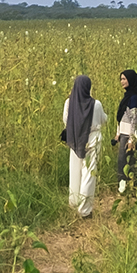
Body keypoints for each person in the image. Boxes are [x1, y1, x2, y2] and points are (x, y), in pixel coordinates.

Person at [61, 74, 102, 217]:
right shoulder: (95, 104)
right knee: (89, 173)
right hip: (92, 140)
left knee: (75, 171)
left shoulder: (69, 102)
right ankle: (85, 210)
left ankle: (74, 202)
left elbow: (65, 119)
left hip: (75, 139)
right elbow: (103, 119)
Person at [113, 69, 137, 191]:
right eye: (121, 79)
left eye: (124, 79)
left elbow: (134, 119)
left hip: (131, 134)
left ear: (131, 80)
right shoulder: (127, 97)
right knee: (123, 160)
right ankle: (125, 186)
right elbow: (121, 116)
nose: (122, 82)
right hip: (124, 133)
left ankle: (130, 186)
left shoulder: (134, 98)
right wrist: (118, 134)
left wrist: (132, 139)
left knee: (129, 160)